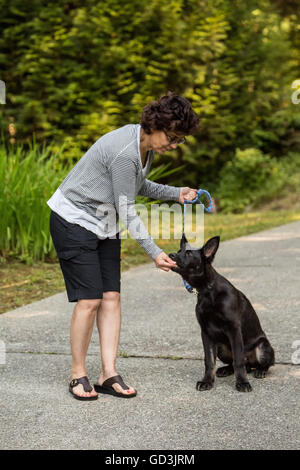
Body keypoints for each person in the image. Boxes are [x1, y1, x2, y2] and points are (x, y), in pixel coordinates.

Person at [47, 91, 199, 400]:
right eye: (172, 137)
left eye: (179, 140)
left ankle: (108, 373)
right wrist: (154, 252)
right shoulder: (123, 151)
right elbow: (127, 208)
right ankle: (78, 374)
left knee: (111, 297)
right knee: (89, 300)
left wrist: (175, 194)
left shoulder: (144, 147)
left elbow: (136, 185)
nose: (173, 144)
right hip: (74, 221)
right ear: (153, 125)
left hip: (104, 222)